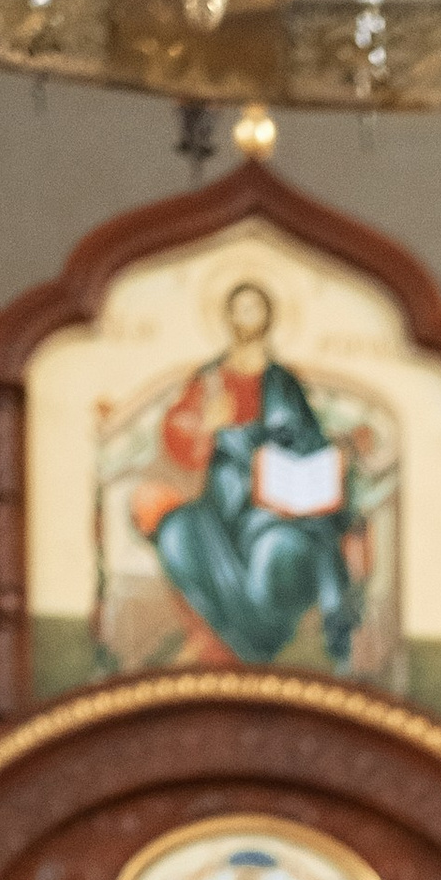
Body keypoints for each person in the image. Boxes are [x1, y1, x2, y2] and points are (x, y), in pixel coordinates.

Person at [135, 282, 366, 674]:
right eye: (239, 310)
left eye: (255, 309)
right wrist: (207, 427)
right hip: (223, 501)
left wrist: (330, 453)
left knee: (276, 549)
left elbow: (309, 439)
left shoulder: (284, 383)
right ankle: (248, 646)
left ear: (269, 318)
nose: (247, 318)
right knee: (177, 530)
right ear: (226, 318)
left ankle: (255, 646)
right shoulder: (210, 380)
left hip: (277, 501)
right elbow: (177, 437)